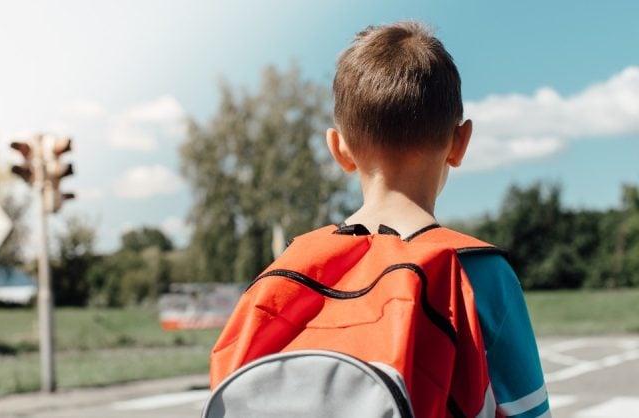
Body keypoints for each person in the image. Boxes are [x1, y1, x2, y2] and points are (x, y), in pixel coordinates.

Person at [209, 22, 549, 418]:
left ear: (339, 149)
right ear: (460, 142)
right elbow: (530, 411)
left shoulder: (283, 273)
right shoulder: (480, 272)